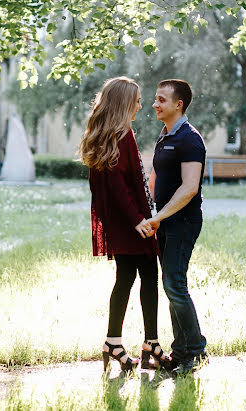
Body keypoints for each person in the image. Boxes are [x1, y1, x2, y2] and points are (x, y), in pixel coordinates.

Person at [78, 76, 169, 373]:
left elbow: (114, 187)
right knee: (147, 277)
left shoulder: (105, 134)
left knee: (128, 277)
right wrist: (139, 220)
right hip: (132, 222)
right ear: (123, 103)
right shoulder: (121, 135)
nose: (142, 105)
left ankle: (115, 343)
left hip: (123, 221)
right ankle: (150, 343)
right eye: (138, 100)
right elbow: (118, 186)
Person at [146, 79, 207, 375]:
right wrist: (149, 213)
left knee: (174, 284)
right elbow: (155, 179)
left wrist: (159, 217)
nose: (155, 104)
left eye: (161, 100)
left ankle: (195, 351)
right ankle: (180, 352)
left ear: (178, 104)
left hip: (183, 222)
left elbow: (189, 188)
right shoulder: (164, 136)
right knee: (172, 287)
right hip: (165, 221)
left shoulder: (190, 139)